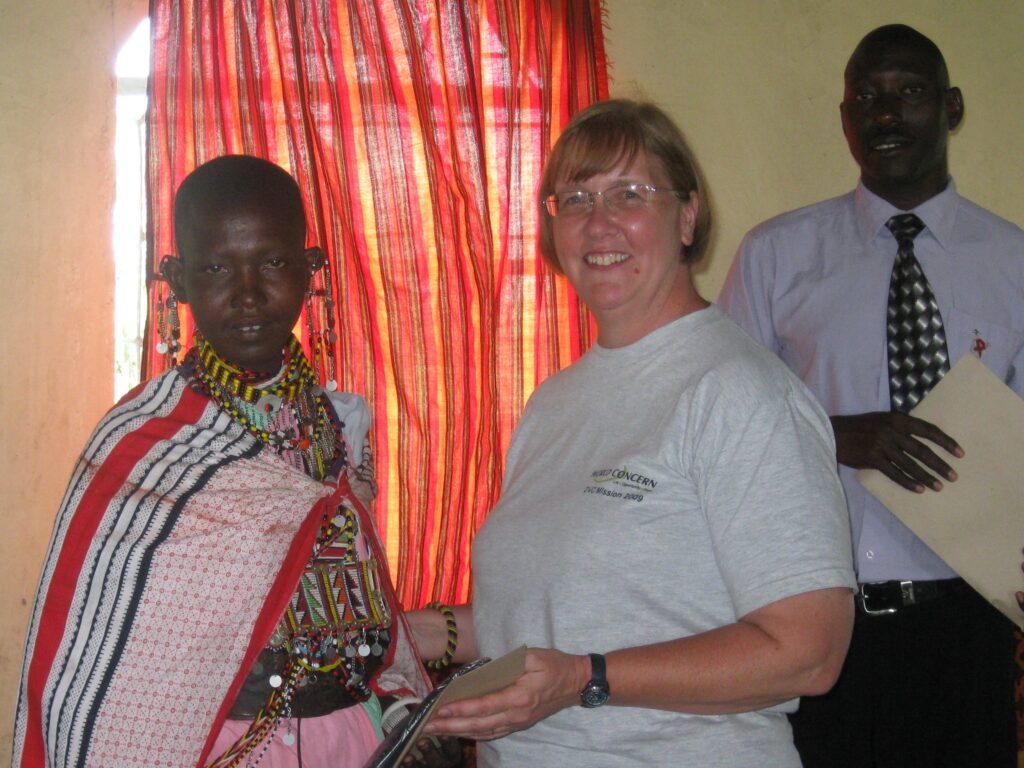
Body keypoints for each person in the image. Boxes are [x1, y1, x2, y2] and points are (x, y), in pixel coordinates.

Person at [408, 99, 856, 767]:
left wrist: (584, 679)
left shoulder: (740, 391)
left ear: (688, 216)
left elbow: (807, 653)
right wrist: (420, 633)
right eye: (577, 198)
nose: (599, 222)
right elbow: (560, 618)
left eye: (630, 193)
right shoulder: (553, 404)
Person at [12, 155, 459, 768]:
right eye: (217, 266)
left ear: (312, 268)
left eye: (274, 262)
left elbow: (363, 595)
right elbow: (94, 666)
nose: (248, 293)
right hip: (219, 750)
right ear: (178, 278)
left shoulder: (338, 424)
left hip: (354, 740)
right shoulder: (148, 443)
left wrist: (403, 707)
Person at [719, 24, 1023, 767]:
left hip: (972, 629)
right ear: (846, 119)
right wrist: (828, 436)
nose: (885, 115)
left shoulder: (1016, 263)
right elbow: (718, 433)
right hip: (820, 624)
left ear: (951, 108)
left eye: (909, 93)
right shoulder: (776, 255)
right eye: (866, 97)